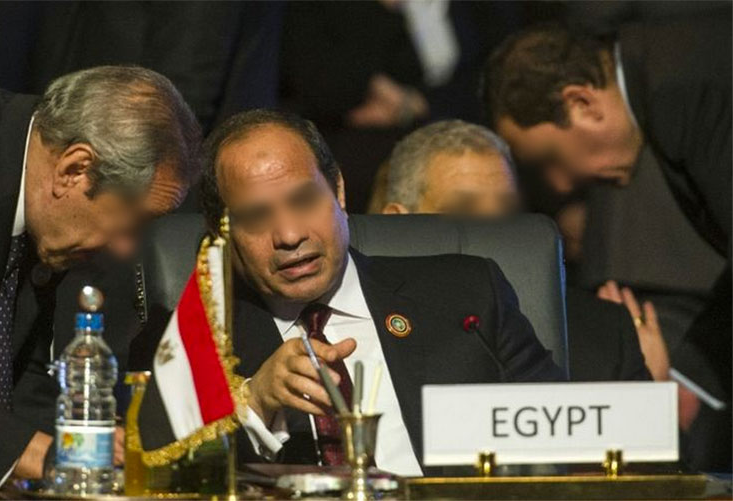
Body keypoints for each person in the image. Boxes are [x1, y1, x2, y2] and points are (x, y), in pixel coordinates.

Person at [186, 109, 564, 475]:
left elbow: (562, 431)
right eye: (256, 217)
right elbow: (178, 473)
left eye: (304, 200)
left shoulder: (466, 294)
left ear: (338, 191)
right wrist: (254, 401)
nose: (289, 235)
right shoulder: (199, 345)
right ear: (223, 232)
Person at [0, 65, 202, 498]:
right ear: (75, 168)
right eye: (133, 223)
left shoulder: (41, 194)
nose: (126, 249)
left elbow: (19, 373)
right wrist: (46, 455)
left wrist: (84, 451)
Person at [482, 20, 731, 408]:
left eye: (550, 159)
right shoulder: (667, 75)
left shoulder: (686, 88)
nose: (562, 185)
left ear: (581, 103)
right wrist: (686, 378)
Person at [381, 120, 652, 383]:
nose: (494, 228)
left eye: (507, 210)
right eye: (462, 210)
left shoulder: (604, 334)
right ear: (397, 222)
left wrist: (658, 391)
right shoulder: (367, 328)